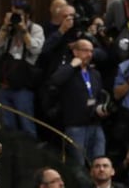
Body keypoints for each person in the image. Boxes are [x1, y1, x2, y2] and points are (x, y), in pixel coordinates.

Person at [47, 38, 109, 166]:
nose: (89, 54)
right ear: (75, 52)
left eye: (91, 51)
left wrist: (100, 108)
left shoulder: (95, 74)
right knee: (79, 164)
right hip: (76, 126)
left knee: (99, 162)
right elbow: (55, 80)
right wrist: (72, 65)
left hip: (95, 124)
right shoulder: (68, 71)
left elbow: (98, 96)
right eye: (85, 50)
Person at [0, 0, 45, 138]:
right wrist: (4, 27)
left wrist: (24, 30)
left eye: (19, 14)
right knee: (8, 126)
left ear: (27, 15)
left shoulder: (35, 29)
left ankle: (31, 156)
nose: (16, 17)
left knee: (27, 124)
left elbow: (35, 49)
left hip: (23, 86)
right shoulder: (8, 29)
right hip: (5, 84)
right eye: (13, 13)